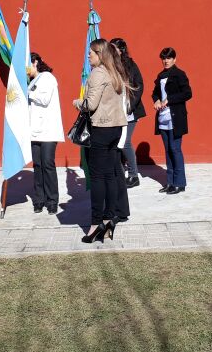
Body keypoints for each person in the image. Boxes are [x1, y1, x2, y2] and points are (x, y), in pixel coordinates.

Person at [73, 39, 129, 243]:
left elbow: (90, 104)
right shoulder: (115, 71)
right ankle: (109, 220)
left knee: (97, 177)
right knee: (110, 176)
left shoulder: (98, 73)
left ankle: (96, 224)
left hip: (101, 129)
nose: (88, 56)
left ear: (100, 54)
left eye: (91, 52)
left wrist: (77, 102)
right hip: (115, 128)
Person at [28, 52, 64, 215]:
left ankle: (52, 201)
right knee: (37, 165)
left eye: (27, 65)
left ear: (35, 62)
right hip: (34, 130)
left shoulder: (48, 78)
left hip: (48, 130)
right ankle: (39, 200)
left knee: (48, 164)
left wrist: (28, 93)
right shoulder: (32, 81)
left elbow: (44, 99)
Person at [153, 47, 192, 194]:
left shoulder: (180, 74)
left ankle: (179, 183)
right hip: (163, 117)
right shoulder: (161, 75)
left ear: (174, 59)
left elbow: (188, 93)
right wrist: (157, 100)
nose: (166, 61)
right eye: (163, 58)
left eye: (169, 58)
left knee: (175, 149)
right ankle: (170, 182)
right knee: (168, 150)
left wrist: (169, 100)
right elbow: (155, 93)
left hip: (175, 118)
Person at [110, 38, 145, 188]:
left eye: (114, 48)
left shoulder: (130, 64)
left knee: (125, 142)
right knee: (117, 142)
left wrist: (130, 106)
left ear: (121, 50)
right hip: (114, 111)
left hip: (129, 111)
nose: (111, 51)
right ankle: (120, 172)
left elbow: (139, 85)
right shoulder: (110, 65)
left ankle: (133, 175)